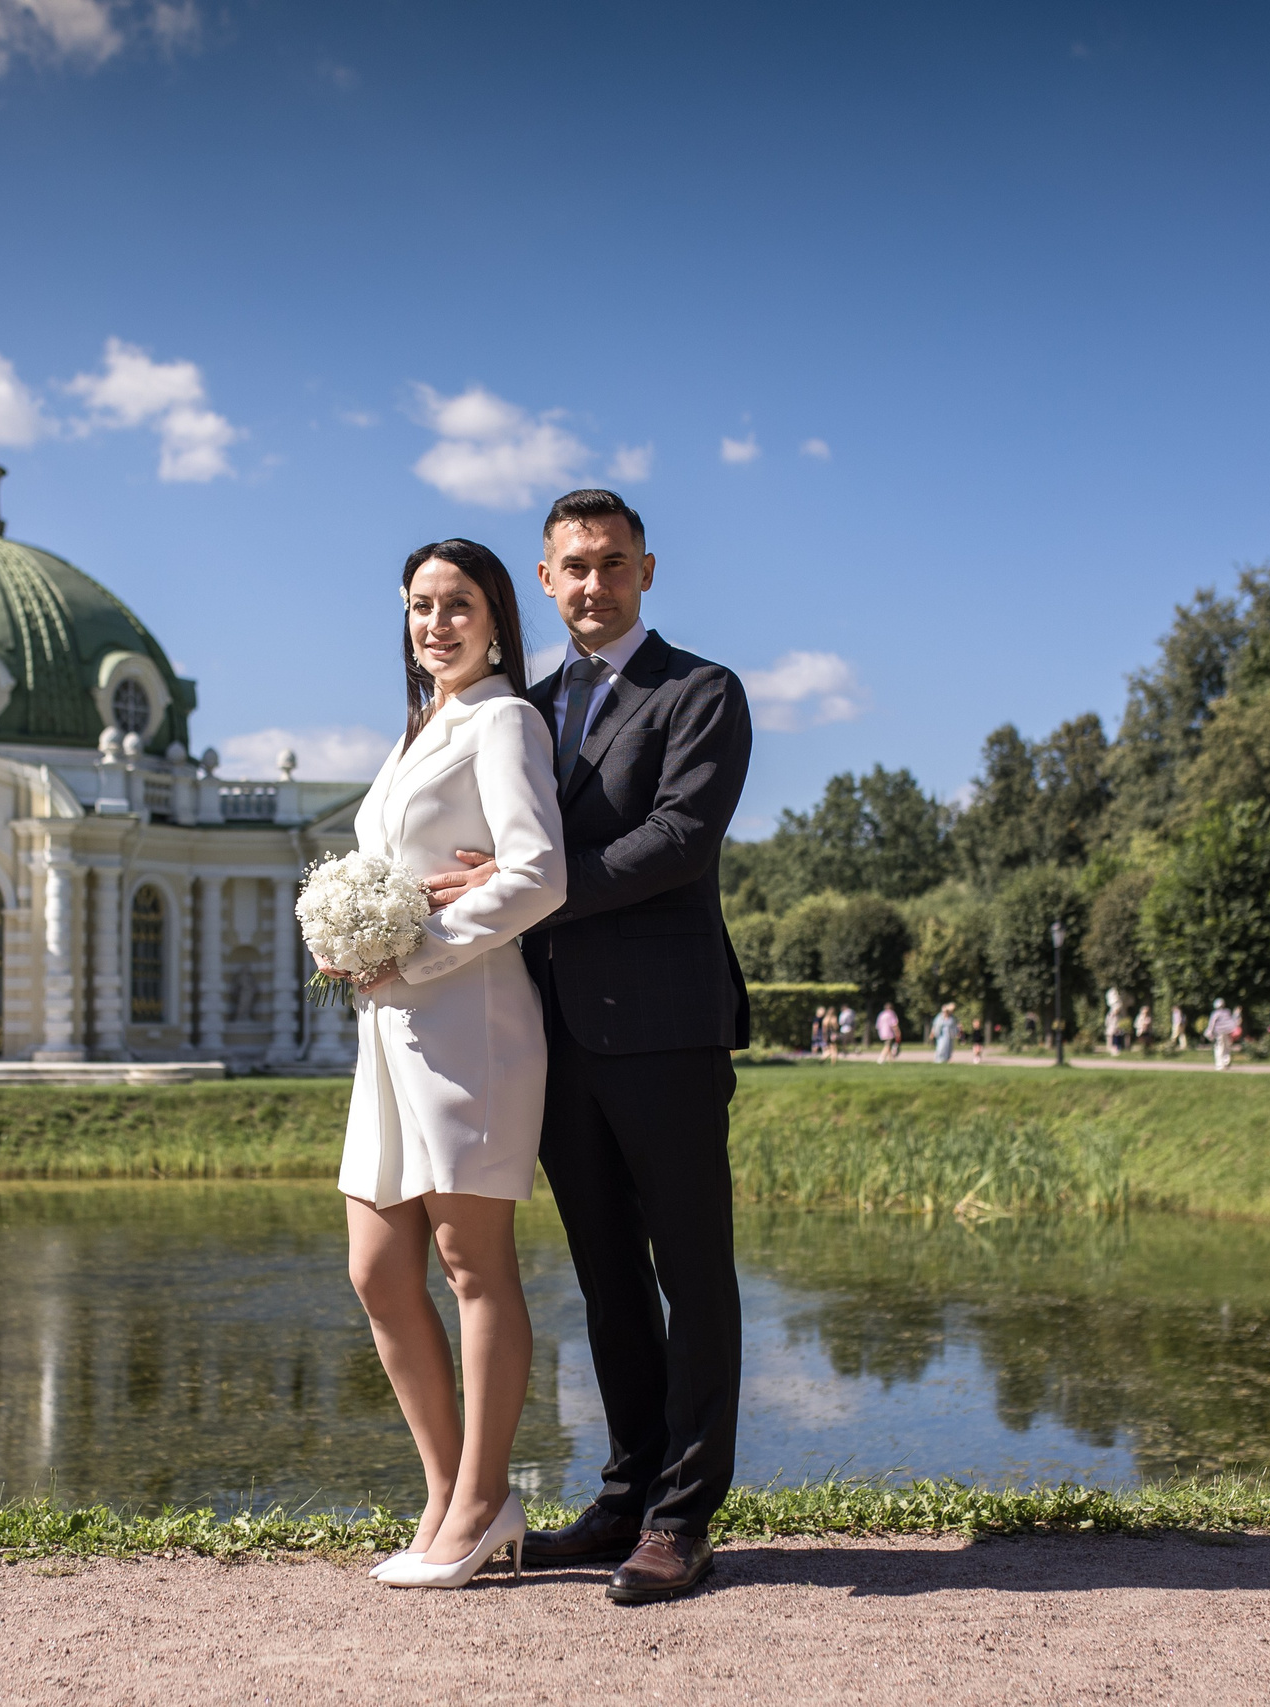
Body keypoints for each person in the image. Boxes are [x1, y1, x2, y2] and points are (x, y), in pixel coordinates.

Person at [430, 489, 750, 1605]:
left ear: (646, 571)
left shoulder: (699, 693)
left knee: (691, 1274)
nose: (590, 584)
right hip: (550, 1035)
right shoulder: (518, 704)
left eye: (611, 563)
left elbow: (676, 841)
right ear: (545, 575)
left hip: (665, 1032)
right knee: (608, 1279)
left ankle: (682, 1516)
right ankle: (623, 1494)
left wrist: (530, 897)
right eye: (571, 566)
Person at [330, 537, 566, 1591]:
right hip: (389, 1033)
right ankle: (446, 1491)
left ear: (498, 618)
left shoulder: (505, 720)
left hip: (469, 1021)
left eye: (458, 605)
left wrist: (422, 946)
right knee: (377, 1271)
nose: (437, 624)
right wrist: (350, 934)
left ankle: (481, 1500)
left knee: (474, 1269)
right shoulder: (420, 727)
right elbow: (398, 873)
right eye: (422, 607)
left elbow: (538, 872)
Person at [1207, 999, 1235, 1070]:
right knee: (1227, 1048)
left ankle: (1219, 1065)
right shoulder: (1227, 1012)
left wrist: (1209, 1032)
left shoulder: (1215, 1013)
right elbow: (1231, 1022)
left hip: (1219, 1033)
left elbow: (1212, 1023)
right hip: (1228, 1032)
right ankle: (1226, 1063)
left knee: (1219, 1048)